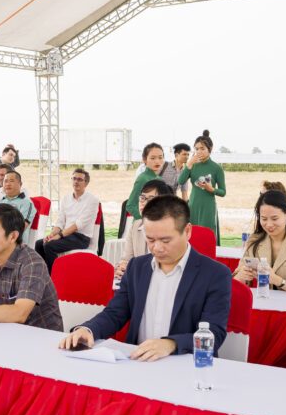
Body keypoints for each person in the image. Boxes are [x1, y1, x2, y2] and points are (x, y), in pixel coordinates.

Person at [58, 195, 231, 361]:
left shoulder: (215, 274)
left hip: (187, 365)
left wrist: (171, 344)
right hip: (138, 361)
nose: (157, 248)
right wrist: (89, 329)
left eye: (165, 240)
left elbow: (214, 334)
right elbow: (115, 313)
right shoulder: (137, 267)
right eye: (150, 239)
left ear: (187, 231)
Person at [234, 190, 286, 293]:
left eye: (274, 218)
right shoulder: (254, 239)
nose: (269, 224)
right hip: (263, 304)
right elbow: (235, 280)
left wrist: (279, 281)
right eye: (264, 219)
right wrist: (241, 277)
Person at [35, 168, 100, 271]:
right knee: (39, 243)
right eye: (74, 178)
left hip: (81, 237)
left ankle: (53, 279)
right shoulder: (66, 199)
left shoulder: (92, 200)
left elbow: (79, 225)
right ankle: (42, 275)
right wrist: (52, 234)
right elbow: (60, 222)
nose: (76, 182)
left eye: (79, 179)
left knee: (49, 246)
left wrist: (59, 235)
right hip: (67, 235)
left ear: (86, 183)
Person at [115, 179, 171, 278]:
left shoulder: (171, 229)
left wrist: (134, 268)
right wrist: (122, 268)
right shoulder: (135, 227)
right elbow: (127, 259)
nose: (143, 203)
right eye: (142, 198)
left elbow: (166, 265)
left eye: (150, 199)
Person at [177, 130, 226, 242]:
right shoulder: (193, 165)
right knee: (191, 238)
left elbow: (223, 192)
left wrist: (211, 189)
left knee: (207, 239)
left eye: (202, 148)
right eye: (197, 149)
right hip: (192, 206)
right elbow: (181, 181)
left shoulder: (217, 168)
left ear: (210, 149)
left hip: (208, 208)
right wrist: (189, 164)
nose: (199, 151)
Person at [0, 170, 36, 245]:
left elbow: (21, 227)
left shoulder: (27, 203)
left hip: (15, 244)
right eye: (5, 181)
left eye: (11, 181)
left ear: (20, 184)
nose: (8, 184)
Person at [125, 143, 165, 220]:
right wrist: (145, 220)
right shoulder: (142, 179)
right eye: (153, 158)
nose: (157, 161)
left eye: (160, 158)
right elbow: (130, 205)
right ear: (144, 159)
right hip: (143, 227)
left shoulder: (160, 180)